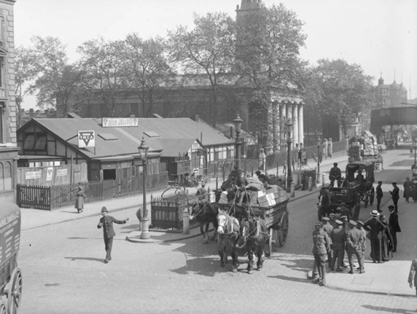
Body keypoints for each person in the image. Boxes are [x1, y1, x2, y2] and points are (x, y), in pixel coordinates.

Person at [312, 222, 331, 286]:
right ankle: (320, 278)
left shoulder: (324, 234)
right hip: (315, 251)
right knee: (318, 265)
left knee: (322, 265)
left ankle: (323, 279)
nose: (316, 227)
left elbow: (328, 243)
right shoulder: (314, 233)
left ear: (320, 227)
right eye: (315, 226)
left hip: (322, 251)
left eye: (317, 226)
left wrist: (327, 250)